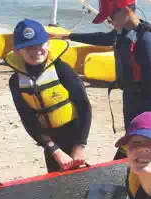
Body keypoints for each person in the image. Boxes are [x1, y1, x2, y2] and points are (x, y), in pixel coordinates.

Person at [66, 0, 151, 148]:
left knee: (142, 149)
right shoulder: (125, 33)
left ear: (125, 11)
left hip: (145, 108)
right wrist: (68, 35)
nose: (109, 21)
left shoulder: (147, 40)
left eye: (110, 17)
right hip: (130, 100)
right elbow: (102, 38)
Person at [6, 19, 91, 173]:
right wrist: (54, 149)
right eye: (29, 48)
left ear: (48, 44)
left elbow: (84, 106)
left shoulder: (62, 69)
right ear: (18, 51)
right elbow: (28, 119)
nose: (36, 51)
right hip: (49, 141)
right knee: (56, 183)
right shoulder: (15, 82)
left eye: (40, 45)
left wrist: (80, 145)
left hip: (75, 135)